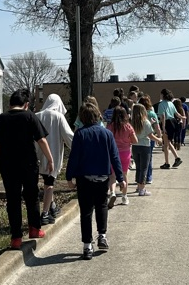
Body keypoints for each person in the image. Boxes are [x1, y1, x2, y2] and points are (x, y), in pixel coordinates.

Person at [0, 89, 54, 249]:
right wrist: (49, 158)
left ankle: (16, 238)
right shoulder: (29, 116)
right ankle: (34, 229)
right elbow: (41, 140)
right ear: (26, 104)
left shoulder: (0, 119)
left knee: (13, 199)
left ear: (10, 103)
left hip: (8, 165)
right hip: (29, 163)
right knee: (31, 195)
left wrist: (5, 154)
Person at [65, 101, 124, 259]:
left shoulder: (80, 134)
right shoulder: (107, 134)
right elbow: (114, 157)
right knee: (101, 206)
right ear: (97, 116)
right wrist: (120, 177)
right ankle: (102, 235)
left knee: (86, 211)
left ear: (82, 117)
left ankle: (87, 245)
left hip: (84, 178)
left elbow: (74, 157)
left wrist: (69, 176)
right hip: (102, 177)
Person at [35, 93, 74, 224]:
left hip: (38, 154)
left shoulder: (37, 116)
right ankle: (45, 213)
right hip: (54, 155)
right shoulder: (58, 117)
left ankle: (52, 206)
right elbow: (68, 136)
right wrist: (79, 147)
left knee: (46, 181)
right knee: (49, 184)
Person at [108, 105, 137, 205]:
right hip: (125, 153)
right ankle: (124, 197)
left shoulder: (110, 126)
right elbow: (135, 141)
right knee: (124, 174)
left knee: (112, 175)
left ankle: (112, 193)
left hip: (113, 153)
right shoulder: (128, 126)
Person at [130, 103, 161, 195]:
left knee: (138, 167)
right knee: (144, 168)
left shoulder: (132, 122)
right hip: (145, 146)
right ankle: (142, 188)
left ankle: (138, 186)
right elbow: (150, 135)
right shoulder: (145, 122)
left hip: (135, 146)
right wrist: (159, 139)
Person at [157, 89, 184, 168]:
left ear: (163, 95)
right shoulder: (171, 103)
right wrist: (182, 117)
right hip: (173, 122)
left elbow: (163, 116)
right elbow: (176, 113)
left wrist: (163, 127)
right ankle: (176, 158)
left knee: (166, 144)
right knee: (168, 142)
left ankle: (167, 163)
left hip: (167, 123)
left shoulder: (161, 104)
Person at [139, 94, 161, 184]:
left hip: (138, 138)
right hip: (149, 137)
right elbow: (157, 127)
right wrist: (159, 137)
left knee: (139, 160)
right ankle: (148, 177)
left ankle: (140, 178)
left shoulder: (137, 114)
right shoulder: (152, 114)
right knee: (149, 158)